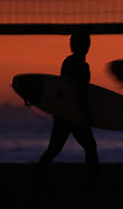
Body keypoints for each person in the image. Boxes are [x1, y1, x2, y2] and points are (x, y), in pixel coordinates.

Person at [38, 33, 99, 178]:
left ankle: (38, 177)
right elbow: (80, 91)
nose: (88, 46)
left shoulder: (67, 61)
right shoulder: (82, 66)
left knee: (53, 149)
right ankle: (96, 181)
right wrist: (86, 115)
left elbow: (63, 87)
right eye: (86, 43)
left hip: (63, 112)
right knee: (90, 147)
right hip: (73, 114)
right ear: (85, 46)